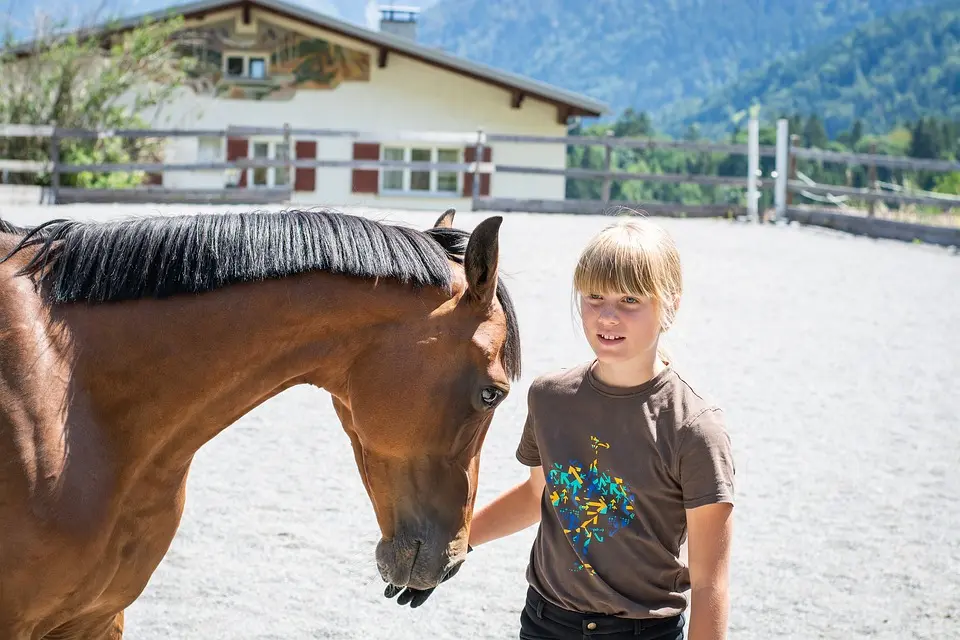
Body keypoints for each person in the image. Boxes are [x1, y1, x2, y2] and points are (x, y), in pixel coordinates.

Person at [384, 214, 735, 640]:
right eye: (594, 297)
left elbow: (709, 583)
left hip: (643, 631)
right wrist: (454, 547)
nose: (607, 316)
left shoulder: (695, 428)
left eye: (629, 301)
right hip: (545, 623)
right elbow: (539, 494)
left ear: (671, 304)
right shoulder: (549, 397)